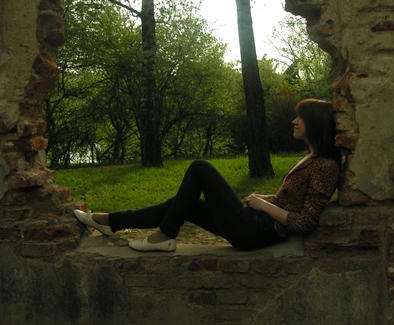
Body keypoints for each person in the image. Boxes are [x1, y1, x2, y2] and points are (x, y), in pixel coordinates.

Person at [74, 98, 342, 252]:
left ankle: (166, 234)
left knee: (200, 167)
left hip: (255, 231)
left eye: (299, 118)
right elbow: (291, 200)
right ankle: (112, 222)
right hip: (252, 225)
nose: (293, 121)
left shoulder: (325, 166)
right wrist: (266, 197)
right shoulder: (310, 158)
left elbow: (306, 222)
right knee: (182, 204)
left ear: (314, 125)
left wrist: (263, 206)